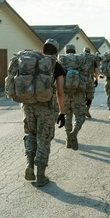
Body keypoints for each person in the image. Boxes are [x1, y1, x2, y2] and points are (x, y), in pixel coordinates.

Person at [23, 39, 66, 187]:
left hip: (28, 106)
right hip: (46, 108)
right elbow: (60, 92)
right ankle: (41, 176)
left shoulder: (32, 62)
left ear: (42, 50)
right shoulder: (56, 66)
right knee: (44, 140)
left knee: (31, 135)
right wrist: (62, 112)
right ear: (56, 53)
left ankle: (29, 165)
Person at [58, 44, 88, 150]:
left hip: (65, 93)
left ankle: (68, 140)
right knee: (80, 116)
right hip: (78, 93)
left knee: (67, 116)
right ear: (74, 51)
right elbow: (86, 77)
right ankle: (74, 131)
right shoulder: (80, 59)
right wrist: (88, 94)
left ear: (66, 51)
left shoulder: (61, 59)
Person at [82, 47, 101, 118]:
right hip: (90, 80)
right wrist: (96, 79)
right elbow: (96, 71)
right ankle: (87, 110)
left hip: (81, 80)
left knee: (82, 96)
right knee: (90, 96)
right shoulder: (93, 59)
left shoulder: (80, 58)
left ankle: (82, 111)